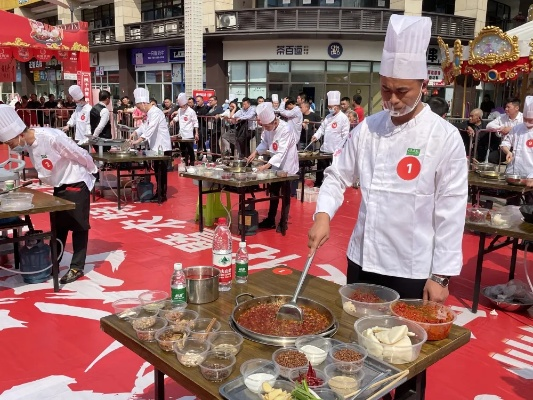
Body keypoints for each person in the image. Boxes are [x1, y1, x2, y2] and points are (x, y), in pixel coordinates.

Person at [308, 17, 468, 398]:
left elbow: (451, 209)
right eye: (385, 89)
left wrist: (442, 276)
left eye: (402, 91)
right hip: (363, 262)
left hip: (413, 271)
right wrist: (323, 213)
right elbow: (337, 176)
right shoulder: (368, 129)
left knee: (408, 360)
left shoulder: (443, 138)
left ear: (423, 86)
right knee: (360, 351)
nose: (392, 99)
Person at [0, 104, 98, 284]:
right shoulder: (29, 142)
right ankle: (54, 261)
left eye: (10, 142)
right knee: (58, 226)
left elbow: (77, 153)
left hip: (74, 179)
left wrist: (92, 169)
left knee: (78, 225)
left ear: (19, 134)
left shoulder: (51, 137)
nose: (10, 146)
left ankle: (77, 267)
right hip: (59, 183)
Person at [246, 102, 298, 232]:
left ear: (274, 122)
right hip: (275, 164)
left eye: (267, 126)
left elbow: (281, 153)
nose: (266, 129)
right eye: (264, 126)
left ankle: (283, 222)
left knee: (285, 194)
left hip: (287, 164)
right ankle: (270, 219)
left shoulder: (286, 129)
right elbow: (264, 142)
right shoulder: (267, 128)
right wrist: (256, 152)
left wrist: (265, 167)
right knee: (274, 192)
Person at [129, 88, 172, 202]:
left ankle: (161, 195)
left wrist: (139, 141)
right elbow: (144, 127)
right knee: (157, 172)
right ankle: (158, 193)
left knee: (161, 172)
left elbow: (151, 128)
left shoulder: (156, 112)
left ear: (143, 103)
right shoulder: (149, 113)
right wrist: (136, 132)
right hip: (155, 147)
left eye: (139, 107)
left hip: (162, 147)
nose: (139, 109)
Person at [311, 91, 350, 187]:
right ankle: (318, 185)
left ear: (337, 106)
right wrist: (316, 136)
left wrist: (341, 149)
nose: (330, 109)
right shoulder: (328, 117)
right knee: (320, 170)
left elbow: (345, 135)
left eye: (332, 107)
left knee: (334, 172)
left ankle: (333, 187)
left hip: (335, 151)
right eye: (329, 107)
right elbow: (322, 129)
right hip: (325, 149)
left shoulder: (343, 118)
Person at [500, 96, 533, 205]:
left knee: (529, 206)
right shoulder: (517, 128)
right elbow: (506, 143)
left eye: (531, 120)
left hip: (530, 174)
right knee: (511, 204)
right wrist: (508, 151)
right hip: (514, 174)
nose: (527, 122)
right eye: (526, 119)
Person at [486, 97, 523, 164]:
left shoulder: (523, 118)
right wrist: (501, 128)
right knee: (492, 157)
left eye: (508, 107)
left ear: (516, 108)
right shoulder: (502, 117)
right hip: (505, 146)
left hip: (519, 147)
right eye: (505, 107)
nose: (506, 109)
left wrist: (511, 129)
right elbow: (488, 126)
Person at [170, 93, 199, 167]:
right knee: (182, 148)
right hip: (181, 133)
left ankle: (192, 162)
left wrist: (196, 133)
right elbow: (178, 117)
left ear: (186, 104)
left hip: (189, 133)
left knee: (190, 149)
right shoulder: (179, 110)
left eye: (182, 106)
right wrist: (173, 120)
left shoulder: (191, 111)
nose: (181, 107)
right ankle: (184, 161)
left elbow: (195, 122)